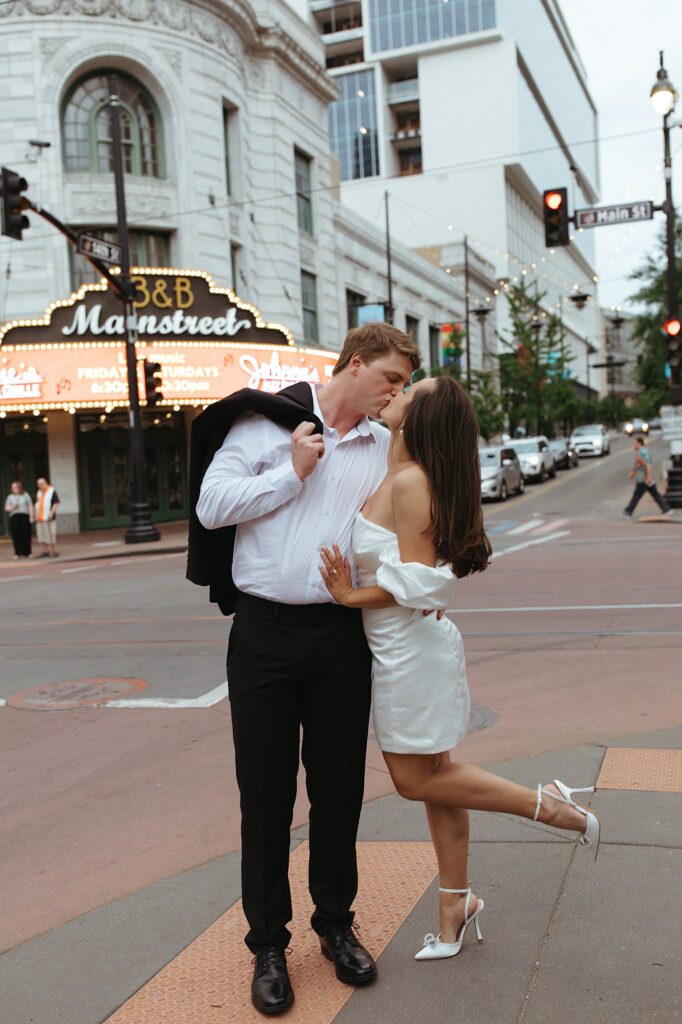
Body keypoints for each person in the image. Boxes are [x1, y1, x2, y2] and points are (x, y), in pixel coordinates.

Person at [320, 376, 600, 963]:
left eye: (407, 390)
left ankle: (545, 804)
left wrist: (350, 596)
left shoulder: (412, 480)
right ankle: (455, 905)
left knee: (415, 780)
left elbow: (421, 586)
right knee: (438, 778)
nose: (395, 390)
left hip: (409, 653)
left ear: (420, 417)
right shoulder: (395, 469)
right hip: (404, 647)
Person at [196, 323, 420, 1015]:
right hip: (263, 633)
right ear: (354, 365)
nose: (395, 392)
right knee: (264, 797)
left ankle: (334, 924)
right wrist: (288, 472)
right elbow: (210, 508)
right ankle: (267, 944)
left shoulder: (382, 449)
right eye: (389, 378)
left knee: (338, 788)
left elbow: (400, 530)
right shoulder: (265, 425)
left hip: (339, 635)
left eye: (403, 385)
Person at [622, 436, 672, 518]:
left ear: (639, 443)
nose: (633, 446)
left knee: (637, 495)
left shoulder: (643, 452)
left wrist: (648, 476)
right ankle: (666, 509)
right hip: (645, 478)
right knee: (655, 494)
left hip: (644, 479)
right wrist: (633, 473)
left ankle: (628, 511)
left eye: (634, 444)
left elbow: (648, 465)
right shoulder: (640, 452)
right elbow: (639, 465)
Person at [4, 481, 33, 559]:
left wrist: (31, 516)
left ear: (19, 488)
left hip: (24, 516)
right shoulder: (10, 497)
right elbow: (6, 508)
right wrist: (13, 507)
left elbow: (30, 505)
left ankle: (28, 552)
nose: (14, 489)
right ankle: (17, 553)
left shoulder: (25, 495)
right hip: (14, 517)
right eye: (12, 487)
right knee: (16, 535)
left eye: (15, 487)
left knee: (26, 534)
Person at [34, 477, 60, 557]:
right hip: (40, 518)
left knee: (51, 534)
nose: (40, 485)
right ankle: (46, 550)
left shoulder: (51, 491)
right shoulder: (39, 492)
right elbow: (37, 504)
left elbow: (56, 503)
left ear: (46, 483)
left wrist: (51, 513)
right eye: (38, 484)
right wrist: (36, 514)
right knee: (42, 534)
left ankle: (55, 550)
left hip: (49, 517)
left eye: (42, 483)